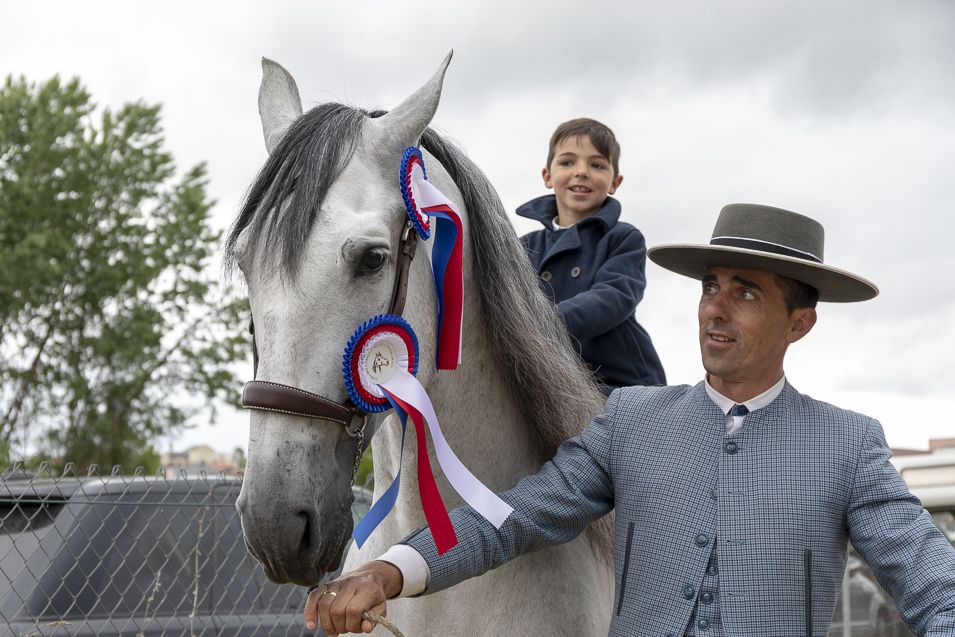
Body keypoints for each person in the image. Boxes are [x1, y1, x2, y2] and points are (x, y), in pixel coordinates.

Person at [306, 204, 955, 636]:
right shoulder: (632, 418)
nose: (714, 309)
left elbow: (934, 586)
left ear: (799, 321)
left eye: (745, 292)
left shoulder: (847, 444)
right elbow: (514, 515)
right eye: (710, 286)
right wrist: (388, 569)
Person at [516, 117, 665, 392]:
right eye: (567, 162)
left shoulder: (623, 238)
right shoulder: (523, 247)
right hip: (545, 373)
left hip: (618, 382)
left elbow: (614, 296)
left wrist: (547, 322)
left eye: (596, 165)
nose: (581, 171)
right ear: (547, 176)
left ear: (614, 182)